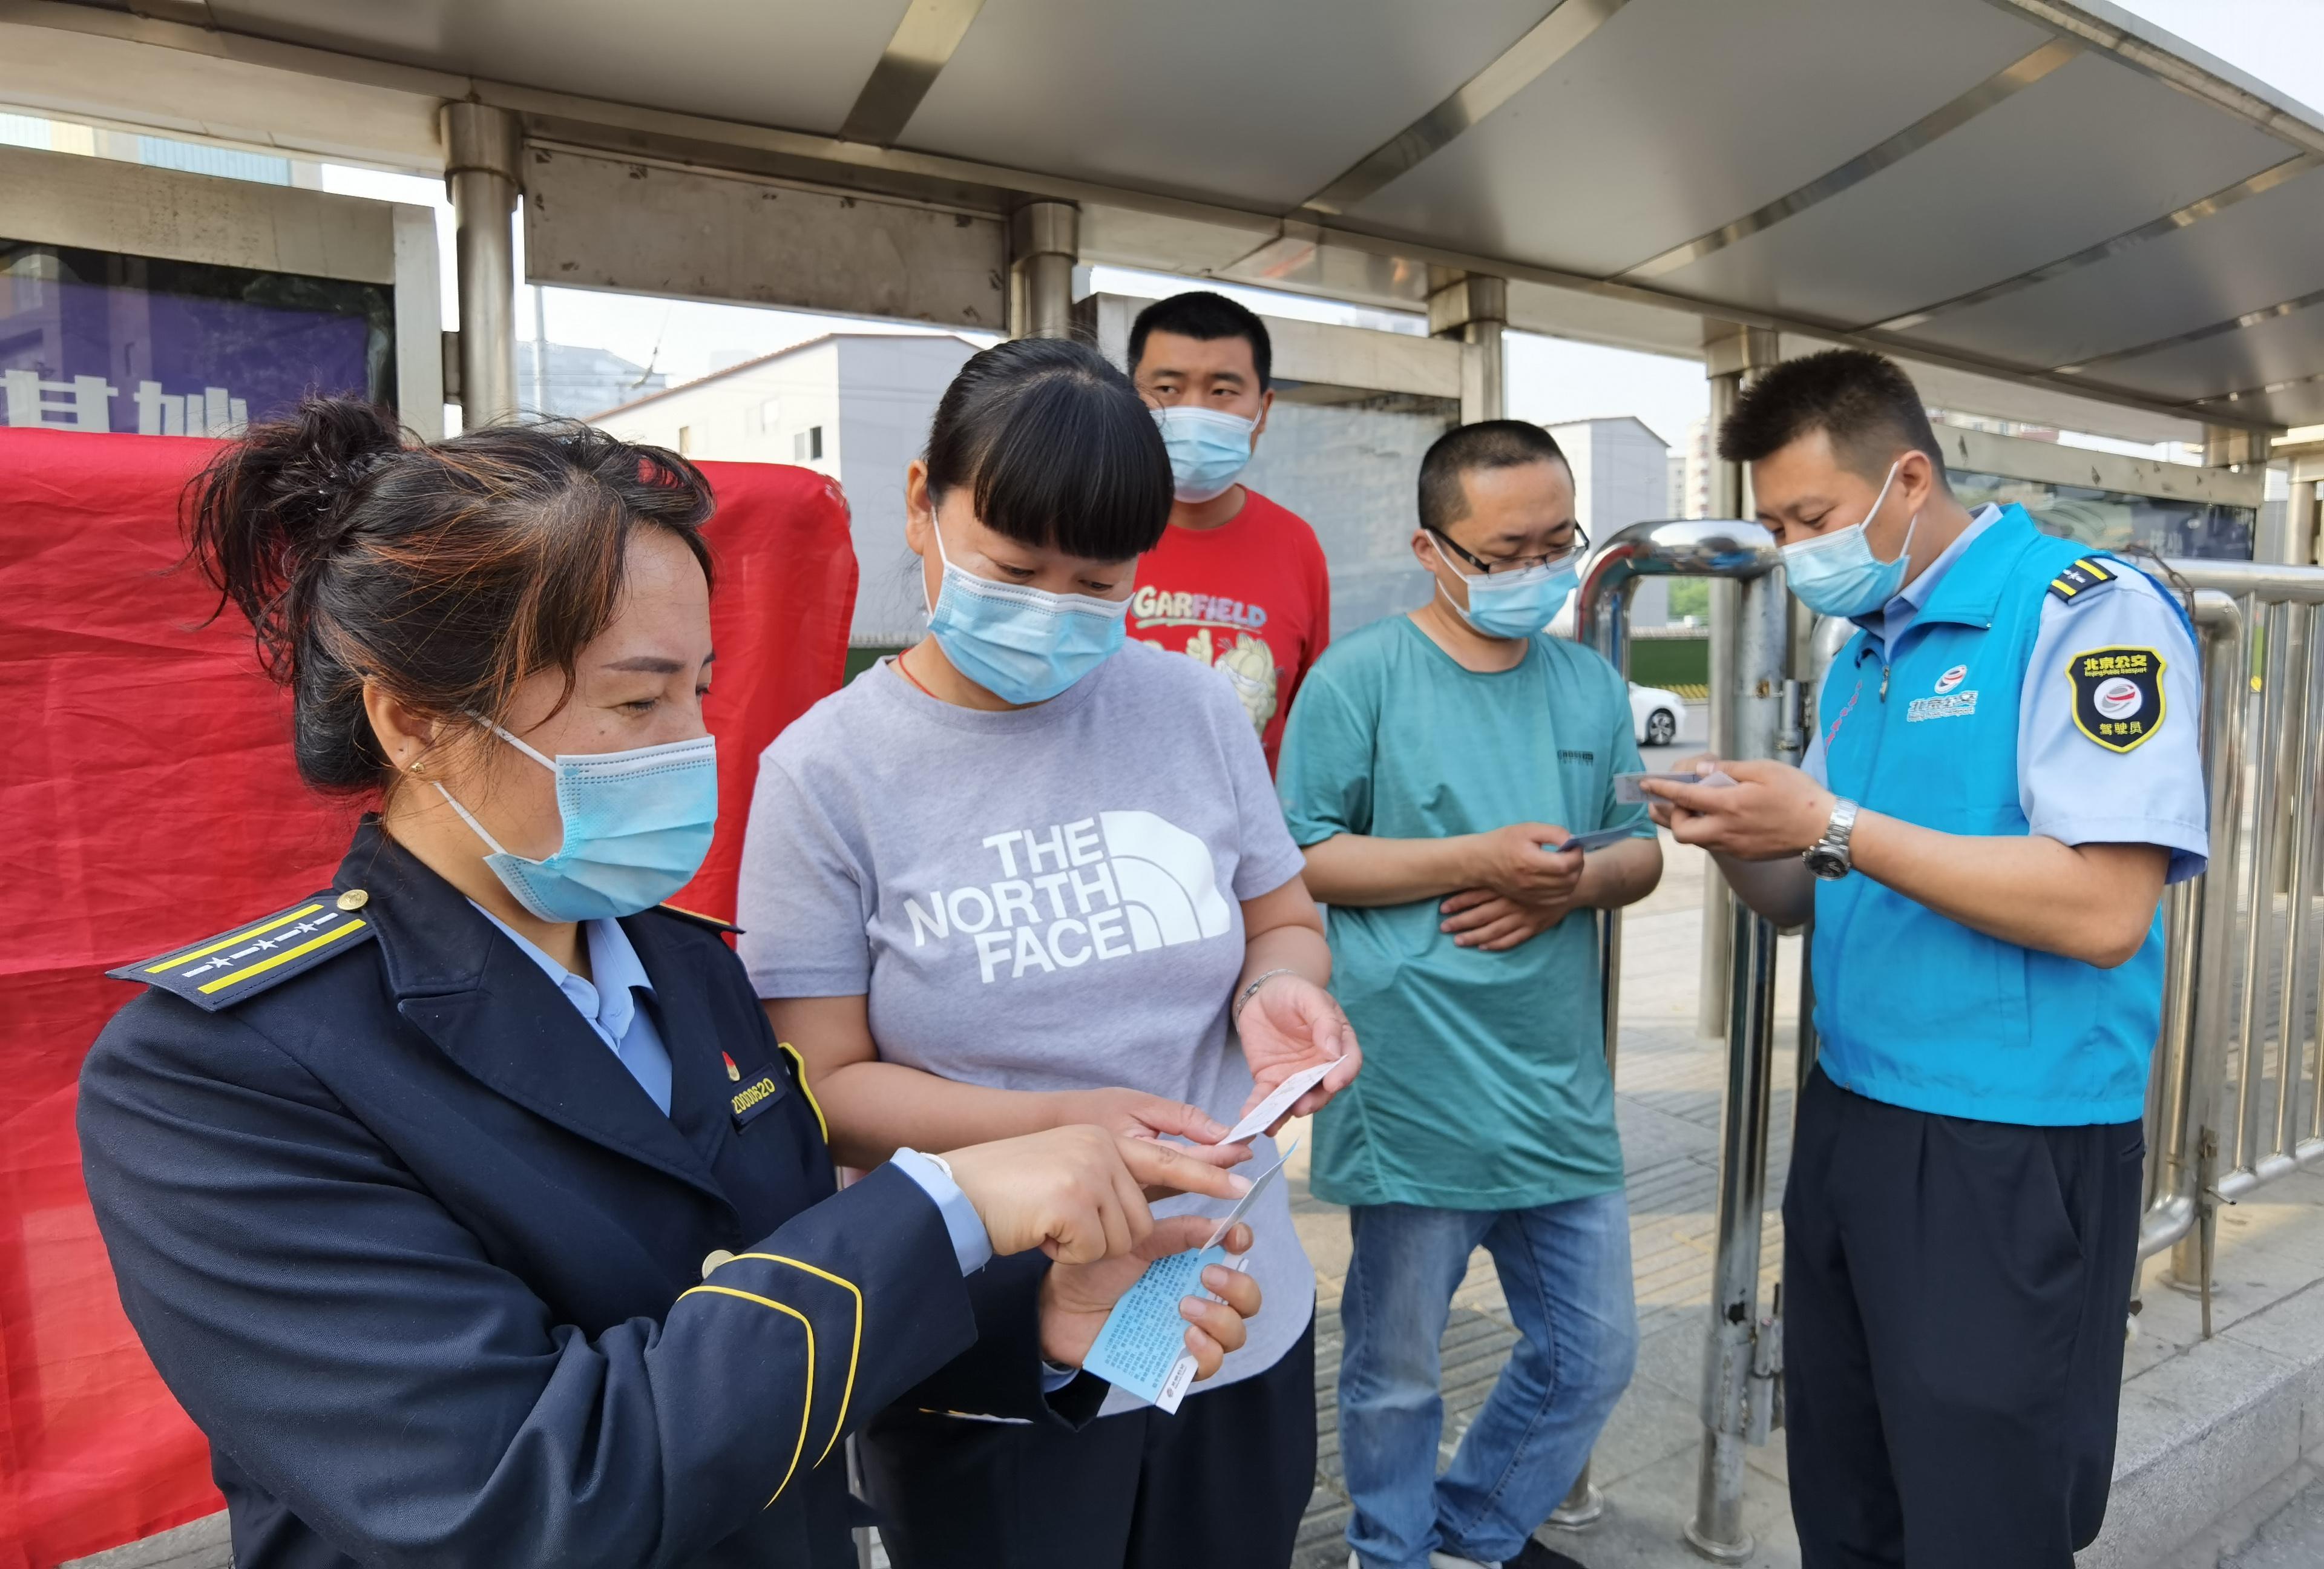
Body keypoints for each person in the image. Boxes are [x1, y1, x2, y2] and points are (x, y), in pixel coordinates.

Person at [77, 403, 1267, 1569]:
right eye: (636, 700)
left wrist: (1036, 1327)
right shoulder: (224, 1077)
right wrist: (949, 1205)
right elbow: (522, 1490)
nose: (692, 739)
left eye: (699, 688)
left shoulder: (685, 968)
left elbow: (793, 1314)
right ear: (415, 723)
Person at [736, 335, 1361, 1569]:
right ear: (922, 502)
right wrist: (1074, 1123)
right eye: (1016, 568)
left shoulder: (1190, 709)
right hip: (986, 1331)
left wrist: (1286, 985)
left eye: (1097, 584)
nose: (1054, 615)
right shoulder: (827, 773)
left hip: (1224, 1312)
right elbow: (828, 1087)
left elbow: (1282, 915)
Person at [1643, 349, 2208, 1569]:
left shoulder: (2085, 611)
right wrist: (1738, 835)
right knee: (1851, 1495)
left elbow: (2106, 906)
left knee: (1986, 1515)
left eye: (1813, 519)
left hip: (2005, 1141)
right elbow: (1809, 891)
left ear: (1907, 478)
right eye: (1777, 526)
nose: (1799, 553)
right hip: (1857, 1117)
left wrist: (1830, 824)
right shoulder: (1867, 646)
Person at [1279, 421, 1659, 1569]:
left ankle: (1469, 1532)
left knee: (1594, 1349)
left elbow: (1637, 850)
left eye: (1559, 543)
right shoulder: (1363, 678)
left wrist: (1567, 887)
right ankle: (1389, 1550)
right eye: (1505, 553)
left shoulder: (1587, 683)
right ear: (1431, 548)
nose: (1535, 571)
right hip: (1415, 1083)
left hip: (1554, 1082)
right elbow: (1299, 856)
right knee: (1396, 1366)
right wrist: (1474, 858)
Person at [1128, 290, 1331, 768]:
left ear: (1263, 409)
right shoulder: (1082, 531)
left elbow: (1309, 716)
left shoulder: (1296, 545)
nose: (1194, 411)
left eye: (1222, 391)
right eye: (1168, 389)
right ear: (1129, 398)